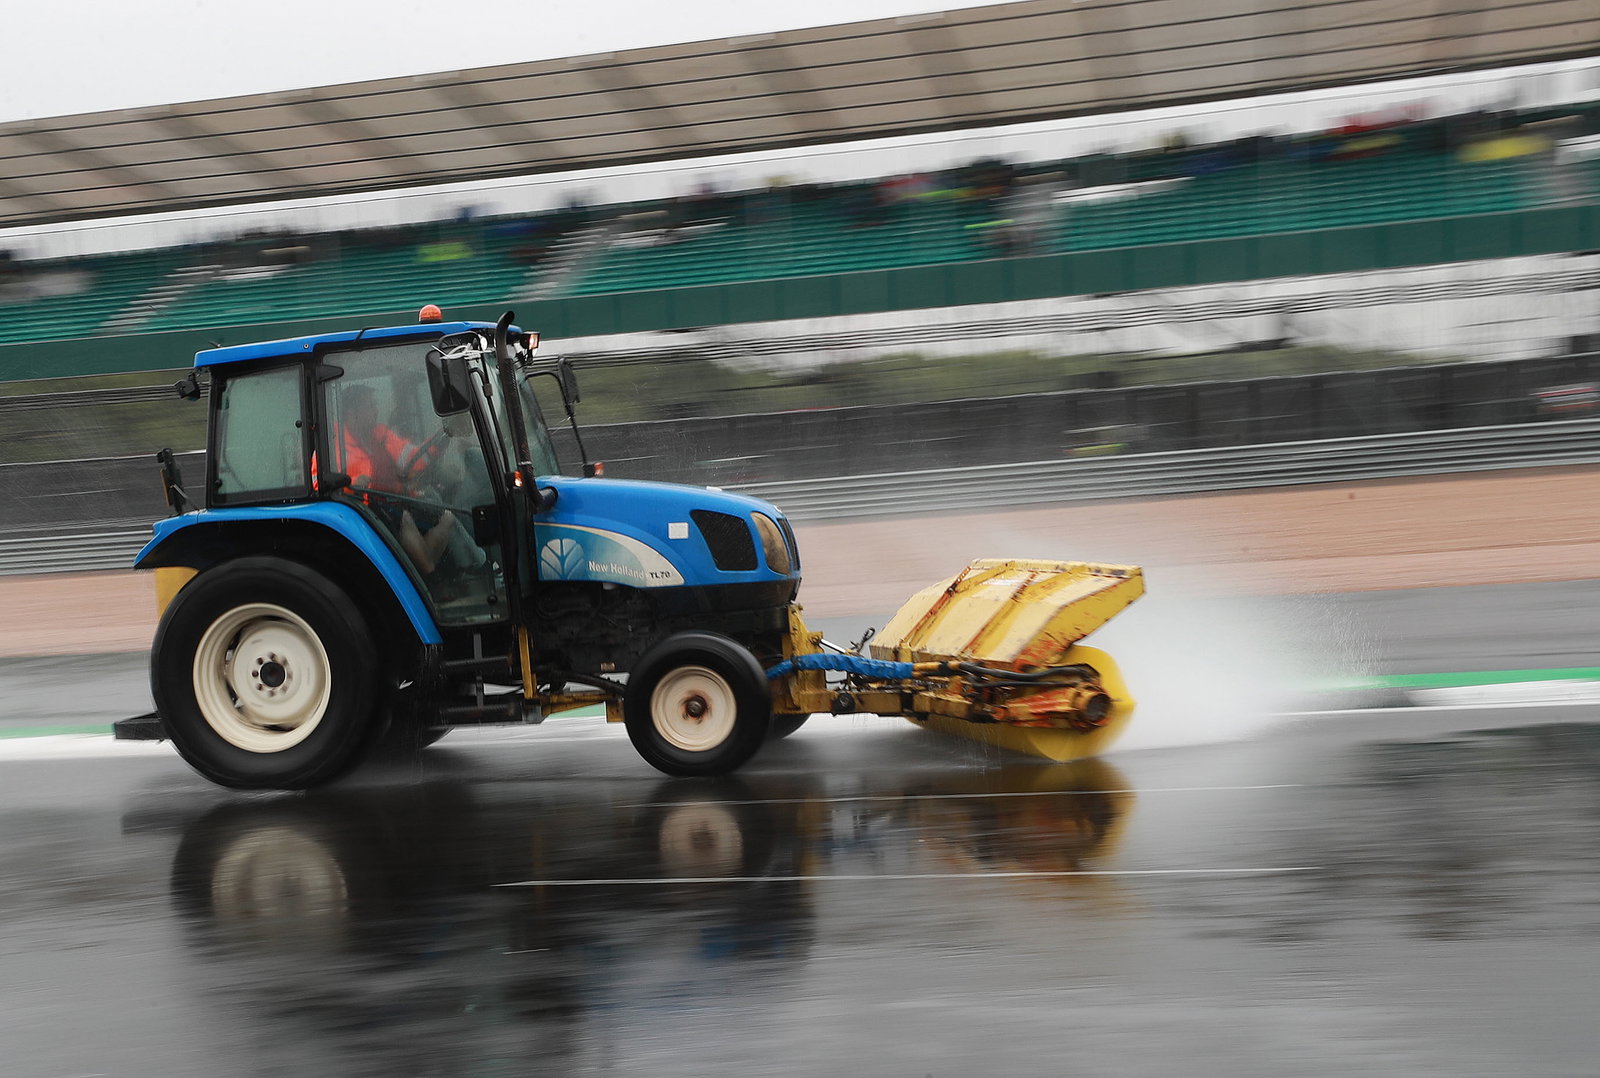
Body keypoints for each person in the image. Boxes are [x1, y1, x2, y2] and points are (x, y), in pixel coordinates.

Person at [337, 384, 468, 574]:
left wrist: (444, 436)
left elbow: (413, 459)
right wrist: (353, 485)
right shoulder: (333, 443)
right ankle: (462, 561)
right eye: (370, 406)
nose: (376, 410)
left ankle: (470, 565)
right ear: (352, 412)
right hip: (363, 512)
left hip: (397, 501)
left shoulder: (381, 434)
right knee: (439, 524)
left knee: (441, 504)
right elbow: (321, 484)